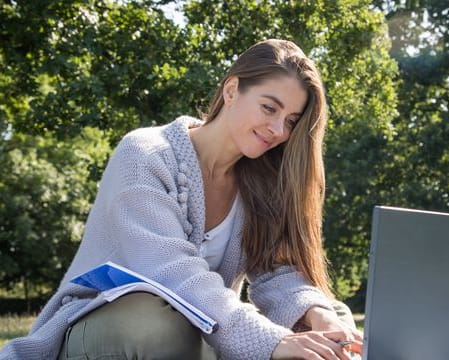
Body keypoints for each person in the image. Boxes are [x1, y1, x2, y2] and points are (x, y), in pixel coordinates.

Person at [0, 39, 363, 360]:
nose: (278, 130)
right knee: (159, 327)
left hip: (197, 334)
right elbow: (175, 274)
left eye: (291, 120)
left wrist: (318, 314)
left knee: (334, 324)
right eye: (269, 108)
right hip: (98, 332)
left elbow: (276, 271)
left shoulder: (260, 182)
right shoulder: (145, 156)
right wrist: (271, 340)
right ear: (232, 90)